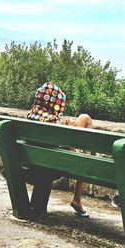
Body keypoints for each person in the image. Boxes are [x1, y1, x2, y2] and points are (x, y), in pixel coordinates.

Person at [27, 82, 91, 217]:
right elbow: (65, 147)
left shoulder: (31, 117)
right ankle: (77, 198)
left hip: (29, 164)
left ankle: (37, 208)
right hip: (50, 166)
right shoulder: (53, 122)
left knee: (45, 164)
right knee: (85, 118)